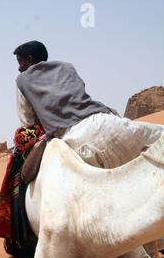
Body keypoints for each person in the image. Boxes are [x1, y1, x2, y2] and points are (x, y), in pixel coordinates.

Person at [13, 40, 163, 169]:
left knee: (24, 176)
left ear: (29, 60)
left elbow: (28, 122)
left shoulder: (22, 80)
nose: (19, 68)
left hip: (74, 140)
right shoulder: (66, 67)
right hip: (108, 123)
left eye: (20, 62)